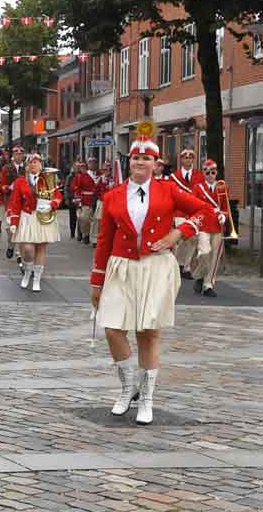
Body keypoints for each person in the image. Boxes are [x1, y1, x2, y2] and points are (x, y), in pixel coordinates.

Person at [90, 132, 214, 425]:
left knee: (148, 333)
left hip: (156, 266)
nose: (140, 162)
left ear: (155, 163)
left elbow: (206, 211)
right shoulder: (113, 195)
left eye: (146, 158)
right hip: (121, 266)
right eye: (136, 157)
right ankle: (128, 386)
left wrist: (178, 232)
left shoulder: (169, 191)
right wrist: (97, 280)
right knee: (112, 328)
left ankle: (146, 398)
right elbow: (104, 240)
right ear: (129, 160)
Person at [8, 154, 62, 292]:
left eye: (36, 162)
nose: (34, 165)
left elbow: (57, 196)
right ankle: (27, 272)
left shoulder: (48, 178)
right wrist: (13, 220)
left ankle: (36, 279)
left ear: (40, 165)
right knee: (27, 249)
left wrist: (52, 205)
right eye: (31, 162)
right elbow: (15, 202)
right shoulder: (20, 182)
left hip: (42, 216)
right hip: (27, 217)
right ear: (27, 166)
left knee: (41, 248)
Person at [192, 159, 229, 297]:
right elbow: (194, 206)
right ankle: (199, 276)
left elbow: (225, 207)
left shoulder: (222, 187)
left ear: (216, 172)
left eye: (213, 172)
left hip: (218, 226)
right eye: (207, 172)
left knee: (215, 256)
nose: (210, 175)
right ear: (203, 173)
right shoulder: (198, 188)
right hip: (203, 225)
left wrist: (224, 215)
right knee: (205, 252)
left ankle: (208, 285)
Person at [170, 149, 205, 279]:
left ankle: (185, 266)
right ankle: (179, 264)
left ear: (193, 160)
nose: (188, 160)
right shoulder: (174, 177)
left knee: (193, 239)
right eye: (185, 158)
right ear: (181, 160)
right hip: (179, 212)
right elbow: (170, 197)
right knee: (183, 237)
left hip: (194, 212)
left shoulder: (200, 176)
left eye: (190, 158)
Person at [1, 146, 26, 264]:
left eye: (21, 154)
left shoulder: (26, 168)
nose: (19, 156)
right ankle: (11, 245)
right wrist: (9, 187)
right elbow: (3, 185)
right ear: (13, 156)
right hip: (10, 201)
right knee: (10, 229)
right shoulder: (7, 168)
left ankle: (19, 254)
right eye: (16, 154)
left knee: (21, 228)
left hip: (23, 202)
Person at [71, 160, 97, 245]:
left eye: (83, 167)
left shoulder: (95, 174)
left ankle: (89, 235)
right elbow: (75, 188)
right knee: (82, 218)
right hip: (83, 200)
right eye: (81, 167)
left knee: (91, 219)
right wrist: (78, 198)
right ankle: (85, 234)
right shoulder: (79, 177)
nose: (82, 169)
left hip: (93, 199)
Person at [89, 161, 113, 246]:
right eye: (104, 170)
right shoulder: (100, 179)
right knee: (98, 221)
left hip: (111, 203)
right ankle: (95, 239)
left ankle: (108, 239)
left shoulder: (113, 179)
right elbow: (96, 191)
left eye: (107, 170)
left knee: (109, 222)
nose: (106, 171)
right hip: (101, 202)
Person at [64, 161, 79, 239]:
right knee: (72, 217)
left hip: (79, 198)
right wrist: (66, 199)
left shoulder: (81, 175)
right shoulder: (70, 177)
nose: (77, 168)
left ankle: (80, 234)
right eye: (76, 167)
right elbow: (66, 188)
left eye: (78, 167)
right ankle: (72, 232)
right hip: (71, 198)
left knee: (80, 217)